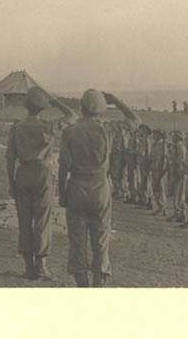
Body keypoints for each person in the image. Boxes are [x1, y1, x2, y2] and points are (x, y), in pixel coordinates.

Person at [58, 90, 140, 287]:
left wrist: (62, 193)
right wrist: (116, 101)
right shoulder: (109, 129)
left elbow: (63, 167)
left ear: (82, 107)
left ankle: (82, 285)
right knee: (101, 241)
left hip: (76, 187)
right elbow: (135, 120)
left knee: (77, 242)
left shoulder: (70, 132)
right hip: (100, 188)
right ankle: (98, 284)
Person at [6, 86, 77, 281]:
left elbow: (9, 159)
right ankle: (41, 265)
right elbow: (72, 116)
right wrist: (54, 100)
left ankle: (28, 266)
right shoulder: (48, 126)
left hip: (23, 173)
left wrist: (11, 183)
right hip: (43, 173)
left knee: (24, 221)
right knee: (42, 221)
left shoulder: (17, 128)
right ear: (43, 107)